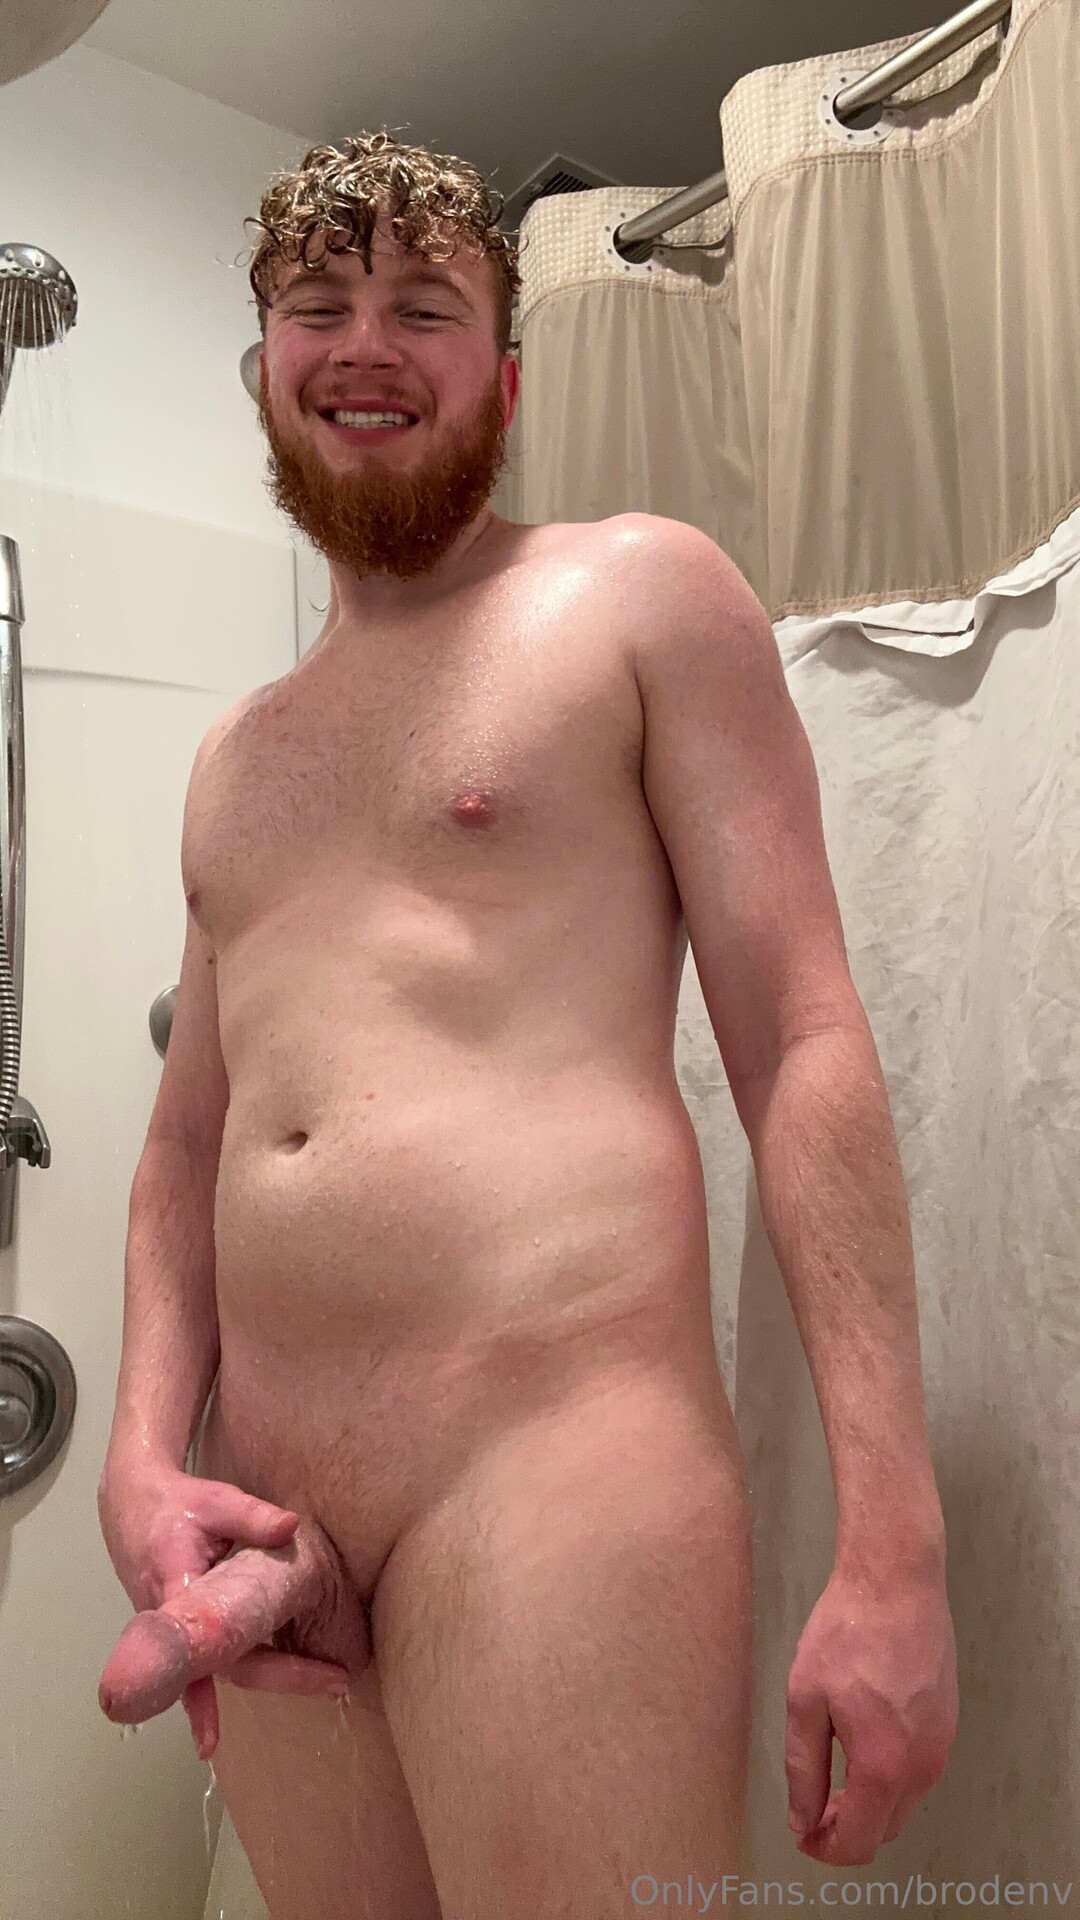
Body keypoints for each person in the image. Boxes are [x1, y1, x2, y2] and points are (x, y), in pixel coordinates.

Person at [97, 132, 957, 1919]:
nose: (365, 344)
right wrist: (141, 1458)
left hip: (554, 1472)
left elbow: (802, 1040)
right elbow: (185, 1151)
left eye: (424, 306)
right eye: (319, 305)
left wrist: (893, 1547)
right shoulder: (234, 755)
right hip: (268, 1511)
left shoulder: (637, 594)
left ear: (503, 376)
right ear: (264, 369)